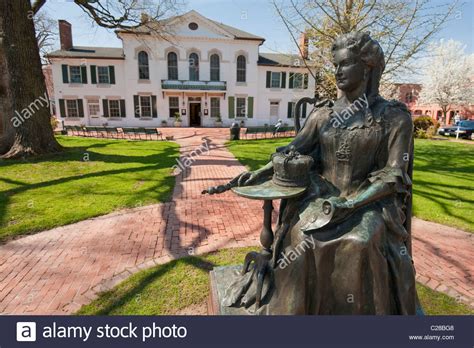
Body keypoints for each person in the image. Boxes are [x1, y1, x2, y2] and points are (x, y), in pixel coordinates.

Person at [226, 32, 420, 315]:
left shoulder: (393, 118)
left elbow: (394, 175)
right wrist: (261, 171)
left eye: (345, 64)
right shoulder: (322, 114)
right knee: (301, 236)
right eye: (336, 65)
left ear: (366, 67)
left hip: (370, 203)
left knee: (360, 242)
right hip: (322, 196)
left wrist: (351, 204)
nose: (338, 72)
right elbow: (294, 149)